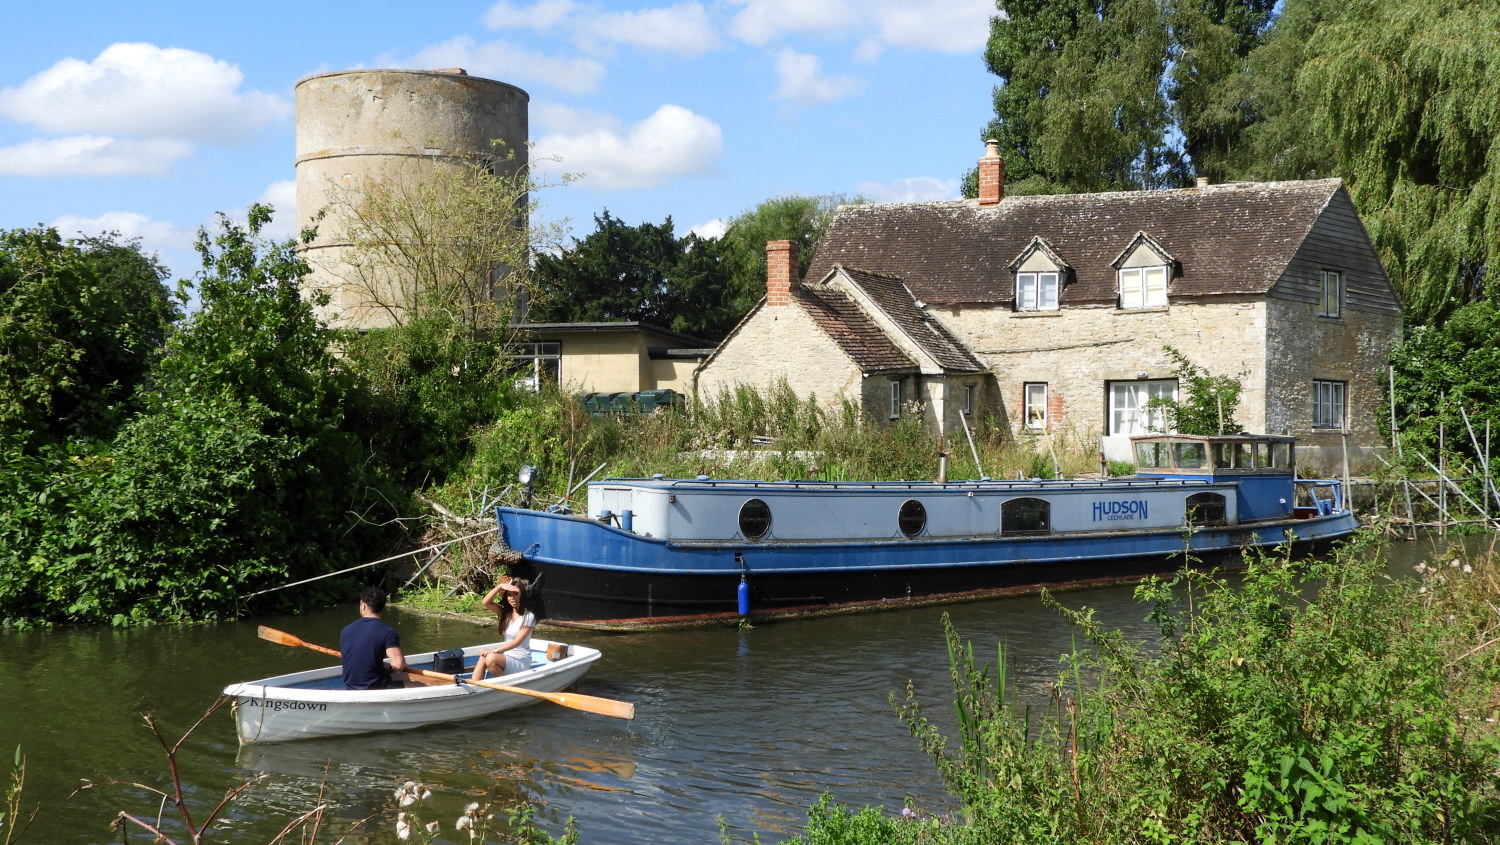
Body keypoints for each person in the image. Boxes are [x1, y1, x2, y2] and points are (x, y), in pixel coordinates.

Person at [340, 585, 410, 690]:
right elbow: (398, 665)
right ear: (382, 606)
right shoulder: (388, 632)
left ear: (363, 605)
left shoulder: (346, 630)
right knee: (418, 685)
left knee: (398, 676)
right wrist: (393, 667)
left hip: (351, 687)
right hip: (375, 688)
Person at [472, 578, 535, 680]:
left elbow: (516, 643)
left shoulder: (529, 616)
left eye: (515, 594)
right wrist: (500, 587)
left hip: (521, 661)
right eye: (509, 595)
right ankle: (473, 686)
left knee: (491, 658)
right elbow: (485, 602)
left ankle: (504, 686)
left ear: (522, 595)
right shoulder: (506, 613)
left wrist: (493, 651)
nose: (512, 598)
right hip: (507, 658)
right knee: (484, 656)